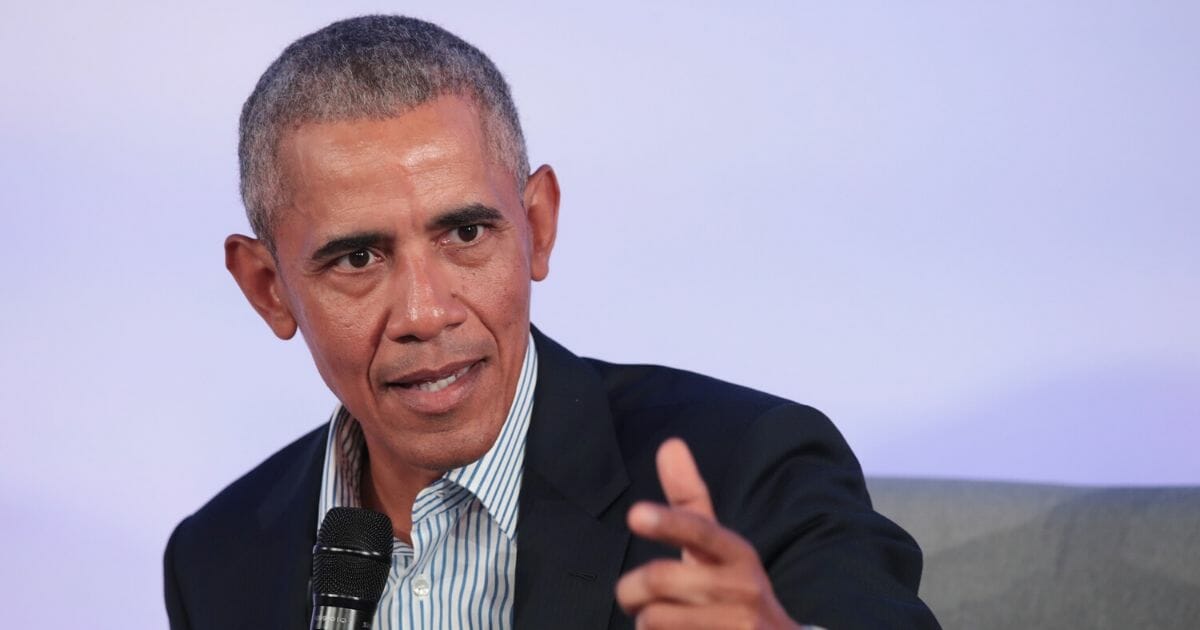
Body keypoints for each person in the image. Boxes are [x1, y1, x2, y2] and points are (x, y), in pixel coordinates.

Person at [163, 14, 940, 630]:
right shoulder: (220, 557)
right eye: (358, 260)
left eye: (466, 234)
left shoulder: (750, 469)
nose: (427, 313)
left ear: (537, 224)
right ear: (268, 288)